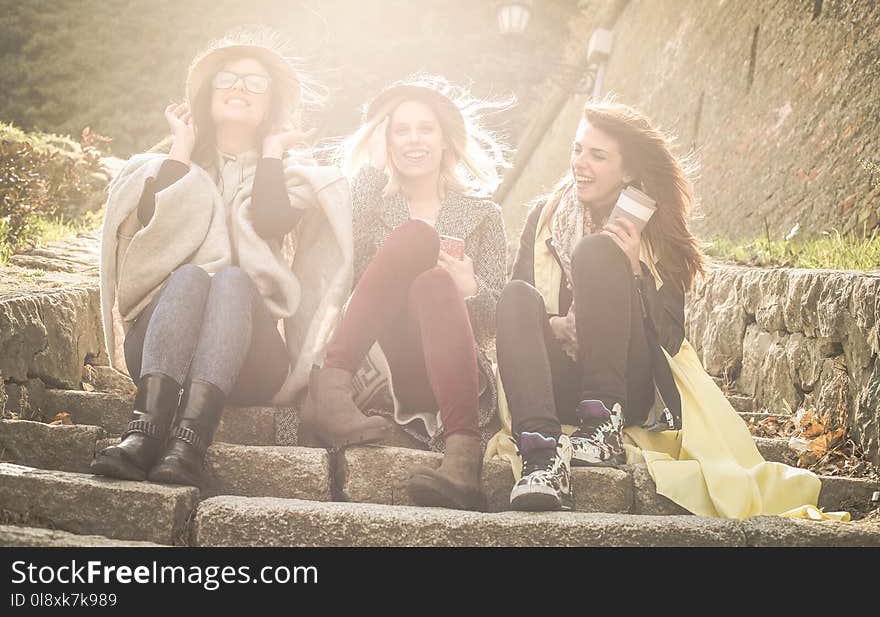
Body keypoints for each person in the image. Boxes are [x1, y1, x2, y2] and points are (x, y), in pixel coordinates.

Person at [492, 100, 822, 517]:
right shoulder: (545, 216)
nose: (580, 163)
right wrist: (558, 325)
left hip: (627, 387)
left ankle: (601, 429)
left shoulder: (656, 225)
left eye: (597, 155)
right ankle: (541, 457)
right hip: (554, 381)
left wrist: (632, 273)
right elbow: (527, 306)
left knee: (596, 252)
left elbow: (670, 337)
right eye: (577, 150)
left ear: (627, 170)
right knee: (516, 295)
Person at [91, 31, 353, 488]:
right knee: (192, 274)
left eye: (255, 84)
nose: (239, 88)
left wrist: (271, 151)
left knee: (231, 280)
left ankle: (190, 441)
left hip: (248, 359)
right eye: (228, 79)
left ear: (270, 103)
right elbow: (154, 229)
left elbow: (272, 222)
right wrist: (182, 150)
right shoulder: (162, 163)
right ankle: (145, 432)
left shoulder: (286, 175)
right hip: (162, 349)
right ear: (206, 93)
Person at [302, 75, 509, 511]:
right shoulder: (370, 202)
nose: (414, 139)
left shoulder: (484, 215)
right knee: (415, 237)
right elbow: (352, 273)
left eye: (425, 128)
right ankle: (333, 388)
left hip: (454, 373)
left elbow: (495, 328)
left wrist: (471, 290)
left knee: (435, 282)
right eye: (401, 130)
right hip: (385, 364)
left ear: (445, 140)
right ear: (387, 141)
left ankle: (461, 458)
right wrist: (372, 171)